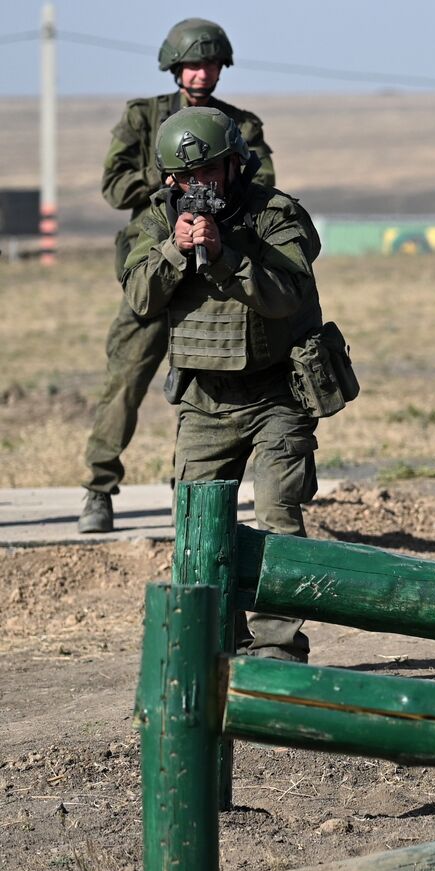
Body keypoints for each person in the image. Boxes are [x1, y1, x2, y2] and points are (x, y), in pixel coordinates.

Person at [123, 107, 321, 662]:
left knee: (278, 513)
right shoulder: (159, 221)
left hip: (275, 394)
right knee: (199, 525)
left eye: (209, 171)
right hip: (203, 401)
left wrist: (226, 256)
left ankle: (278, 647)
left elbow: (286, 297)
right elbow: (140, 298)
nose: (199, 185)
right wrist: (176, 250)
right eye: (187, 177)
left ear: (235, 164)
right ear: (170, 179)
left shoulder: (274, 216)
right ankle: (217, 642)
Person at [79, 18, 274, 533]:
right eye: (192, 63)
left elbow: (262, 190)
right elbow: (115, 189)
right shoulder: (144, 118)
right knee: (126, 377)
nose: (202, 72)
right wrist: (173, 174)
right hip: (161, 259)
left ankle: (189, 486)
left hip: (215, 276)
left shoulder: (242, 127)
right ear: (174, 67)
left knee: (213, 380)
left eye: (210, 63)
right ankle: (99, 488)